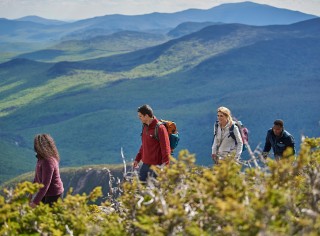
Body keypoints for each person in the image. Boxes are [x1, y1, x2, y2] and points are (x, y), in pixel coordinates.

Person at [133, 104, 171, 182]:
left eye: (140, 116)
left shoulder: (160, 128)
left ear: (146, 116)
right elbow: (144, 144)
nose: (139, 118)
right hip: (145, 165)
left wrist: (165, 168)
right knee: (140, 190)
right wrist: (137, 159)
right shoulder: (145, 126)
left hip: (157, 167)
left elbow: (166, 149)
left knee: (154, 191)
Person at [29, 134, 64, 208]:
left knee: (49, 217)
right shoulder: (41, 159)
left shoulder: (48, 161)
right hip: (45, 193)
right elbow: (36, 178)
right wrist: (30, 194)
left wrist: (34, 203)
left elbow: (45, 184)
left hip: (54, 195)